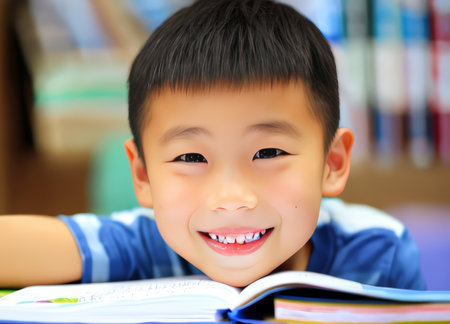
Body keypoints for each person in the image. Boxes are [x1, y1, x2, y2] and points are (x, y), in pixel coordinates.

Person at [0, 0, 425, 290]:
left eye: (269, 152)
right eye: (190, 157)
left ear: (331, 163)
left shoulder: (379, 252)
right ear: (144, 176)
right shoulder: (144, 245)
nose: (232, 199)